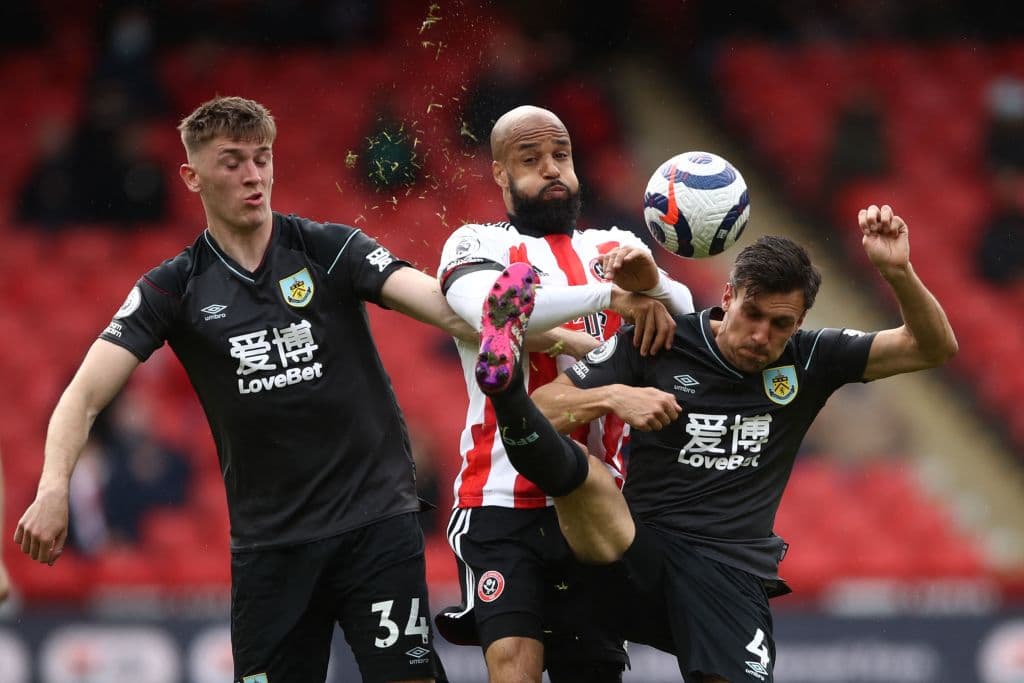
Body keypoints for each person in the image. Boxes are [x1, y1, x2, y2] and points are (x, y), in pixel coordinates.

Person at [14, 96, 471, 683]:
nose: (254, 175)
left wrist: (554, 327)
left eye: (262, 158)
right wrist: (54, 488)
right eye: (232, 162)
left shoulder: (328, 249)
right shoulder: (172, 288)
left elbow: (443, 307)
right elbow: (81, 397)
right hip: (271, 546)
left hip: (374, 525)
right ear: (192, 176)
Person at [472, 204, 956, 682]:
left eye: (782, 325)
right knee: (581, 469)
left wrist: (898, 271)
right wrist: (616, 395)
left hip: (729, 573)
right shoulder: (660, 340)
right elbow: (551, 405)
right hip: (637, 556)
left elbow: (932, 347)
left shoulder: (813, 359)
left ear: (801, 321)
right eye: (753, 314)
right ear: (728, 295)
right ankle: (504, 388)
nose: (762, 335)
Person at [434, 105, 694, 682]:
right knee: (514, 664)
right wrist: (611, 298)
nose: (552, 170)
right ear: (500, 174)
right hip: (499, 498)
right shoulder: (476, 242)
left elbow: (686, 316)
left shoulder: (614, 245)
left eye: (561, 156)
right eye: (530, 160)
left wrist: (649, 282)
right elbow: (492, 309)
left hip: (595, 506)